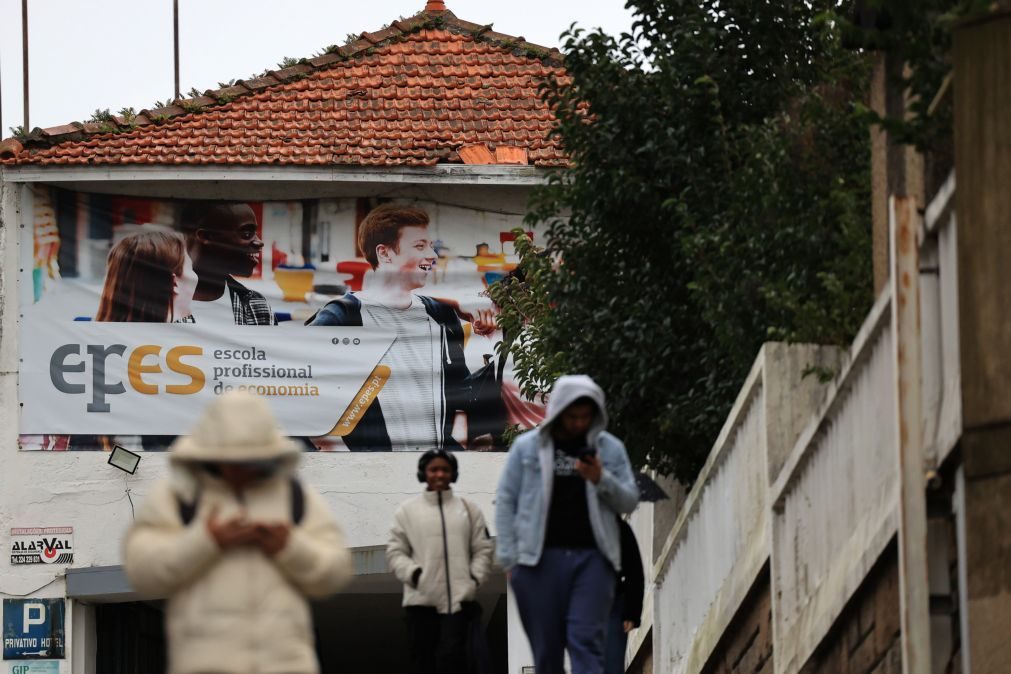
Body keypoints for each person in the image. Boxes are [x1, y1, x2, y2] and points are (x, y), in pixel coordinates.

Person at [123, 391, 352, 674]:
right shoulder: (178, 496)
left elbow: (335, 574)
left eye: (249, 461)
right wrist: (206, 541)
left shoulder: (296, 495)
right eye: (228, 459)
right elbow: (142, 574)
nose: (238, 470)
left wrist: (290, 547)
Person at [495, 375, 639, 674]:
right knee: (547, 652)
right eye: (572, 416)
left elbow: (629, 502)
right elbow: (506, 502)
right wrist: (510, 560)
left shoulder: (609, 449)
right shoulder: (526, 448)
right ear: (558, 411)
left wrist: (601, 478)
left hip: (594, 561)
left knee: (585, 643)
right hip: (537, 562)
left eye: (585, 417)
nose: (578, 423)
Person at [307, 204, 477, 451]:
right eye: (420, 246)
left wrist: (458, 443)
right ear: (385, 253)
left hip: (434, 469)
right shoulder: (345, 315)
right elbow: (298, 377)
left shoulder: (440, 315)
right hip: (374, 476)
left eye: (430, 246)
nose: (432, 255)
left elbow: (461, 390)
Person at [69, 230, 197, 451]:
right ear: (175, 282)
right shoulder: (179, 357)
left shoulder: (90, 348)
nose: (196, 276)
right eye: (191, 268)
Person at [387, 449, 494, 674]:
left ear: (453, 474)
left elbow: (483, 549)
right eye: (434, 469)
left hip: (458, 603)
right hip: (420, 601)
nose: (439, 474)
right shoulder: (407, 511)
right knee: (423, 662)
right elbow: (396, 552)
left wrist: (472, 579)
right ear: (423, 473)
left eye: (445, 469)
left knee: (452, 661)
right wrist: (415, 575)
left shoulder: (469, 510)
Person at [177, 200, 275, 325]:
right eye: (246, 233)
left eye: (254, 233)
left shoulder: (256, 306)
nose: (259, 242)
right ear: (206, 237)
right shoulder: (154, 301)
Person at [604, 518, 645, 674]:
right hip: (583, 609)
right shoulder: (576, 525)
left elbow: (634, 571)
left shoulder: (619, 528)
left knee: (612, 666)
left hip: (614, 605)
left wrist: (632, 612)